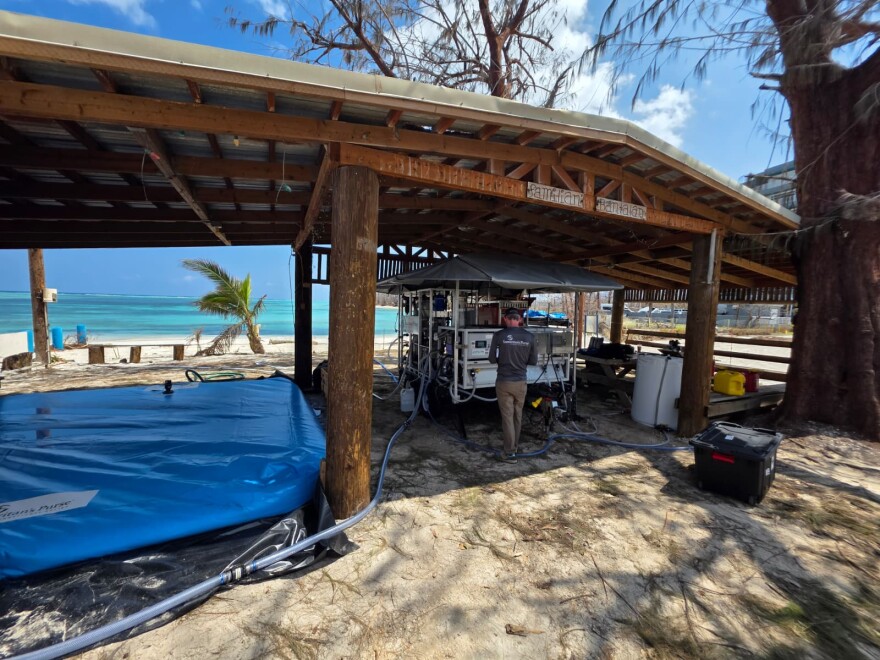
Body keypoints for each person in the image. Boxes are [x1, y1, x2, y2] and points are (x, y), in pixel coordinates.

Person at [489, 308, 538, 459]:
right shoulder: (530, 337)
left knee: (507, 417)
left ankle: (510, 452)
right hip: (521, 382)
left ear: (505, 319)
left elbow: (491, 358)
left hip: (504, 381)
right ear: (520, 319)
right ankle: (514, 446)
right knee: (518, 415)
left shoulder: (499, 336)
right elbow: (533, 361)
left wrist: (502, 360)